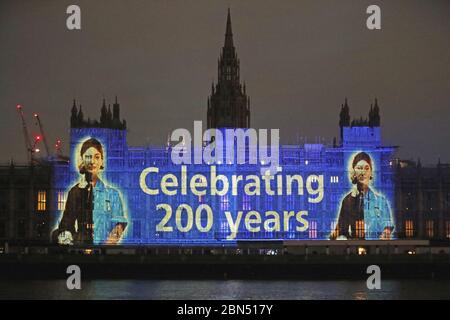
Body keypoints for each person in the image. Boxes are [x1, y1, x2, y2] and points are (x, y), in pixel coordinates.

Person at [52, 138, 128, 245]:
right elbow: (67, 224)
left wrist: (105, 246)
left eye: (96, 157)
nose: (92, 162)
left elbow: (119, 225)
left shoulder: (112, 194)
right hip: (81, 247)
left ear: (101, 160)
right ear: (82, 160)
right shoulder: (74, 192)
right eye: (88, 157)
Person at [330, 152, 394, 240]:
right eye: (359, 168)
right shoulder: (347, 201)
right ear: (354, 172)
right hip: (353, 246)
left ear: (371, 172)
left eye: (366, 168)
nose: (363, 172)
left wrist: (384, 235)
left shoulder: (381, 201)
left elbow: (387, 225)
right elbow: (341, 229)